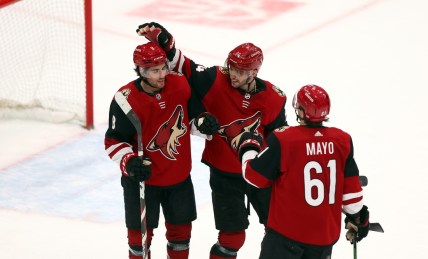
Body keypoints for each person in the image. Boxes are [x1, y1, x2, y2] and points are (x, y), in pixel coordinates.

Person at [137, 22, 289, 259]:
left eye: (240, 71)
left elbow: (280, 140)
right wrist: (166, 43)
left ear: (254, 73)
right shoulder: (215, 79)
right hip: (225, 174)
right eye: (232, 67)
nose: (233, 74)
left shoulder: (274, 97)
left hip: (260, 174)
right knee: (232, 239)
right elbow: (183, 66)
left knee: (280, 230)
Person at [104, 42, 214, 259]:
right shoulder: (125, 100)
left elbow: (191, 118)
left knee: (181, 238)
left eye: (164, 67)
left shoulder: (180, 84)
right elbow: (114, 141)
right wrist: (129, 161)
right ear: (141, 71)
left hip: (179, 177)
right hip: (143, 181)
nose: (162, 74)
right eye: (155, 71)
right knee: (139, 244)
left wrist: (202, 122)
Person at [236, 84, 371, 259]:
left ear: (300, 110)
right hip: (323, 241)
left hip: (285, 238)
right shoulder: (342, 140)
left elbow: (254, 177)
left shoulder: (284, 139)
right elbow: (352, 202)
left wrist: (248, 147)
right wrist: (358, 218)